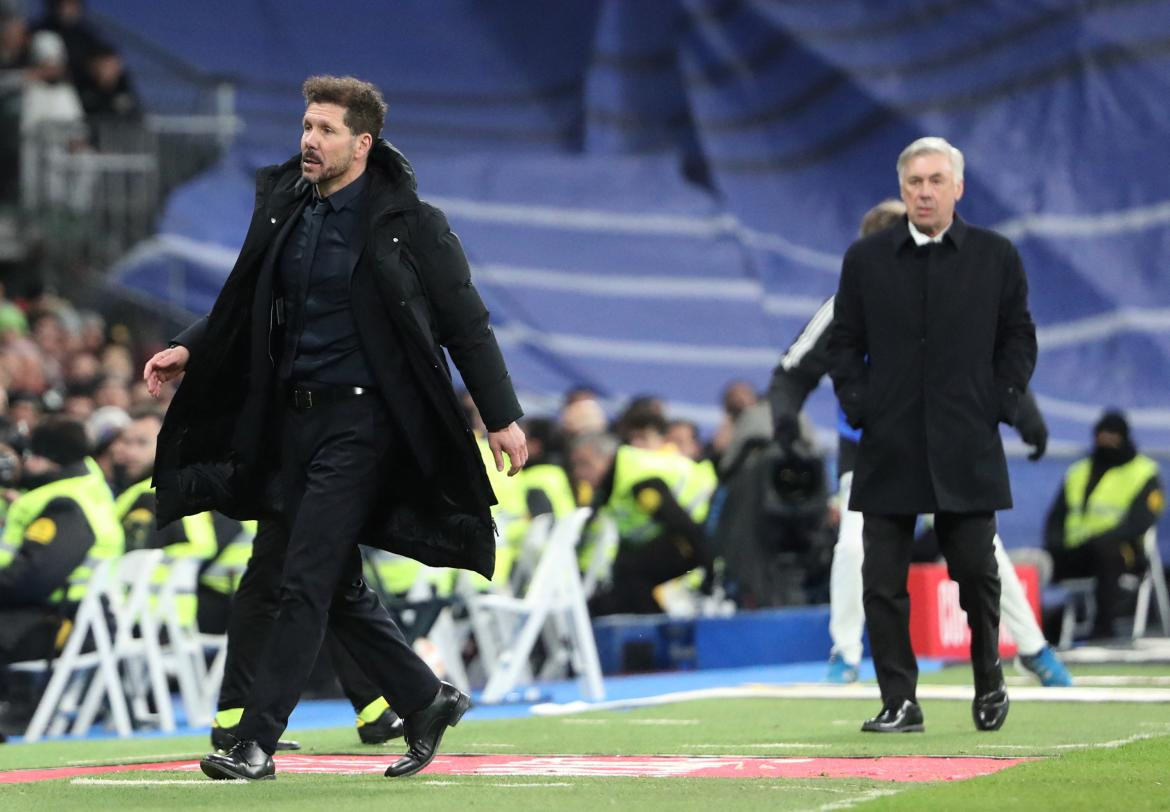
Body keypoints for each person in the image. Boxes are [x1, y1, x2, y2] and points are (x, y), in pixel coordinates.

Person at [143, 75, 527, 781]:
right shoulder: (288, 207)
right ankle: (425, 698)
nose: (309, 141)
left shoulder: (411, 223)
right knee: (330, 583)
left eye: (325, 130)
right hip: (290, 423)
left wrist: (500, 416)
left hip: (365, 423)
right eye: (306, 126)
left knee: (305, 579)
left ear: (362, 142)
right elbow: (246, 296)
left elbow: (466, 323)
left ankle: (255, 742)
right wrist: (191, 346)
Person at [770, 199, 1071, 687]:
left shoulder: (950, 300)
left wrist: (1025, 416)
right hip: (876, 455)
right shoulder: (847, 305)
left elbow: (994, 361)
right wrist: (784, 423)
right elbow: (793, 370)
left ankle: (1033, 648)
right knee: (853, 548)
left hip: (945, 449)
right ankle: (845, 655)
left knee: (983, 552)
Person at [829, 136, 1037, 733]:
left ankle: (989, 677)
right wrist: (859, 403)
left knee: (976, 571)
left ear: (958, 187)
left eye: (935, 180)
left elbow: (1018, 337)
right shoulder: (865, 259)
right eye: (915, 182)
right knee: (880, 581)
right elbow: (844, 343)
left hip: (965, 443)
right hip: (889, 444)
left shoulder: (996, 256)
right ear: (902, 189)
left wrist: (999, 402)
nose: (924, 191)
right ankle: (900, 700)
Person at [0, 418, 124, 719]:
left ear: (47, 458)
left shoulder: (64, 504)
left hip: (62, 624)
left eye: (32, 455)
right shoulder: (87, 488)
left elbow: (31, 578)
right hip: (71, 617)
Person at [572, 420, 716, 615]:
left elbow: (682, 524)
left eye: (584, 464)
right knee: (625, 573)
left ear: (605, 458)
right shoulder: (616, 481)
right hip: (692, 535)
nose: (579, 474)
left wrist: (710, 572)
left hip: (706, 530)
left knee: (632, 573)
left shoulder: (640, 481)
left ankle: (653, 632)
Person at [1045, 410, 1163, 640]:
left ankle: (1104, 630)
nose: (1106, 440)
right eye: (1102, 434)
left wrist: (1107, 537)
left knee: (1106, 551)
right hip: (1078, 550)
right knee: (1038, 560)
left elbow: (1141, 521)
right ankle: (1035, 633)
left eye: (1112, 435)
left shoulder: (1144, 472)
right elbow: (1056, 518)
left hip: (1122, 552)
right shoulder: (1078, 471)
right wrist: (1055, 544)